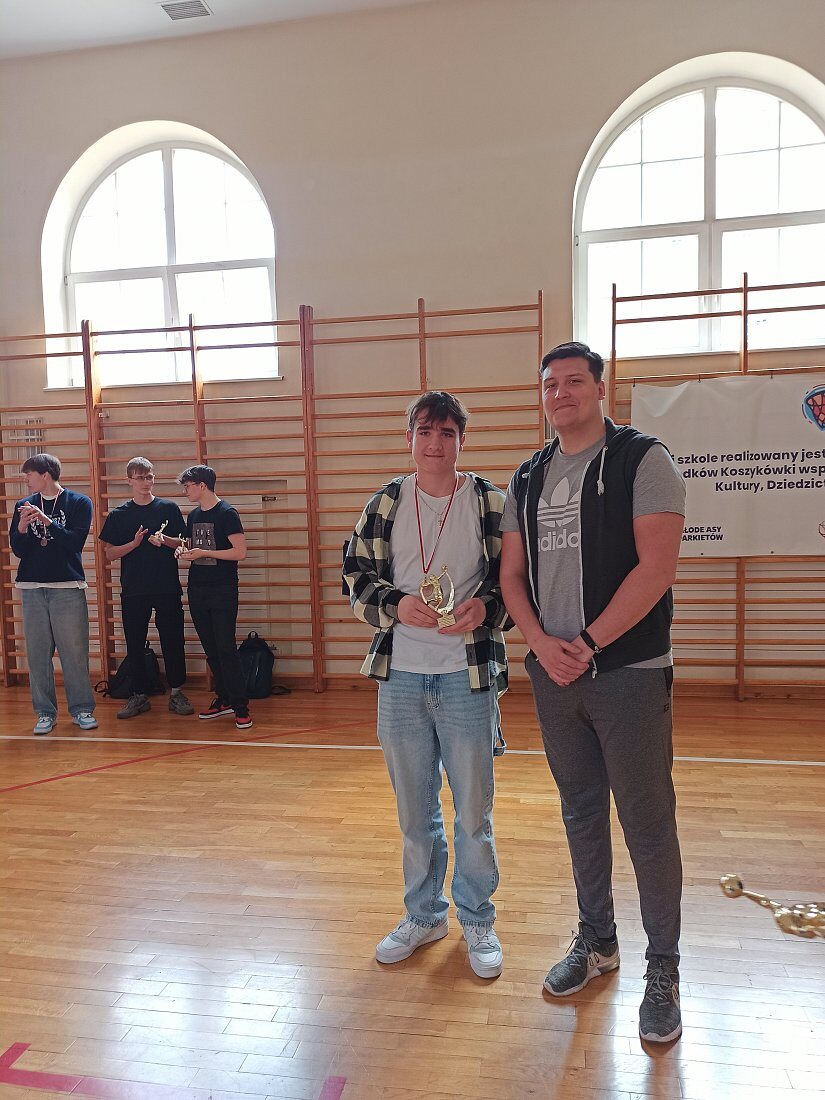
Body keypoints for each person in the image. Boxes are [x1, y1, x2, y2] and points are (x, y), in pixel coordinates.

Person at [499, 341, 686, 1043]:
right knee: (580, 812)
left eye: (574, 381)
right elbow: (511, 576)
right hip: (555, 676)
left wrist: (588, 643)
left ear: (600, 388)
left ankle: (663, 967)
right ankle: (597, 940)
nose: (561, 393)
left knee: (646, 823)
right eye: (550, 384)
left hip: (627, 674)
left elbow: (656, 568)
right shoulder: (528, 476)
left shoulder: (643, 459)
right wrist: (541, 644)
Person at [343, 391, 510, 979]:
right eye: (424, 432)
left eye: (445, 433)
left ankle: (478, 918)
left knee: (472, 813)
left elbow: (518, 583)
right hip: (402, 677)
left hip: (467, 675)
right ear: (409, 438)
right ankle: (424, 914)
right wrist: (396, 604)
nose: (434, 444)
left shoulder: (490, 503)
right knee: (415, 813)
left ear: (462, 440)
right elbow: (354, 574)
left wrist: (485, 609)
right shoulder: (387, 502)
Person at [98, 457, 193, 720]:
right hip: (134, 589)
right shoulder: (119, 514)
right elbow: (109, 554)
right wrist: (134, 544)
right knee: (135, 642)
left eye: (149, 476)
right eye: (140, 477)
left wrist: (165, 540)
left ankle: (177, 692)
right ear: (129, 480)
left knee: (173, 639)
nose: (145, 482)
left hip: (166, 587)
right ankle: (138, 694)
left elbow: (184, 544)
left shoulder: (168, 508)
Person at [9, 453, 97, 735]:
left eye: (29, 474)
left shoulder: (79, 502)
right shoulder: (23, 505)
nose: (26, 479)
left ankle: (82, 709)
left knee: (74, 653)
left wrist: (49, 522)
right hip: (32, 588)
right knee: (37, 655)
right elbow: (18, 549)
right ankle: (45, 713)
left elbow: (74, 543)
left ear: (45, 474)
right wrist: (22, 527)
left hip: (67, 587)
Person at [171, 465, 251, 730]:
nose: (185, 491)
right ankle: (225, 697)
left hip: (222, 589)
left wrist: (205, 553)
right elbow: (192, 546)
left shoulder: (227, 513)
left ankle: (241, 706)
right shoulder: (194, 515)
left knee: (226, 648)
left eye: (188, 486)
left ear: (202, 485)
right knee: (211, 649)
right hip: (198, 588)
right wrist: (182, 551)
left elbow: (239, 552)